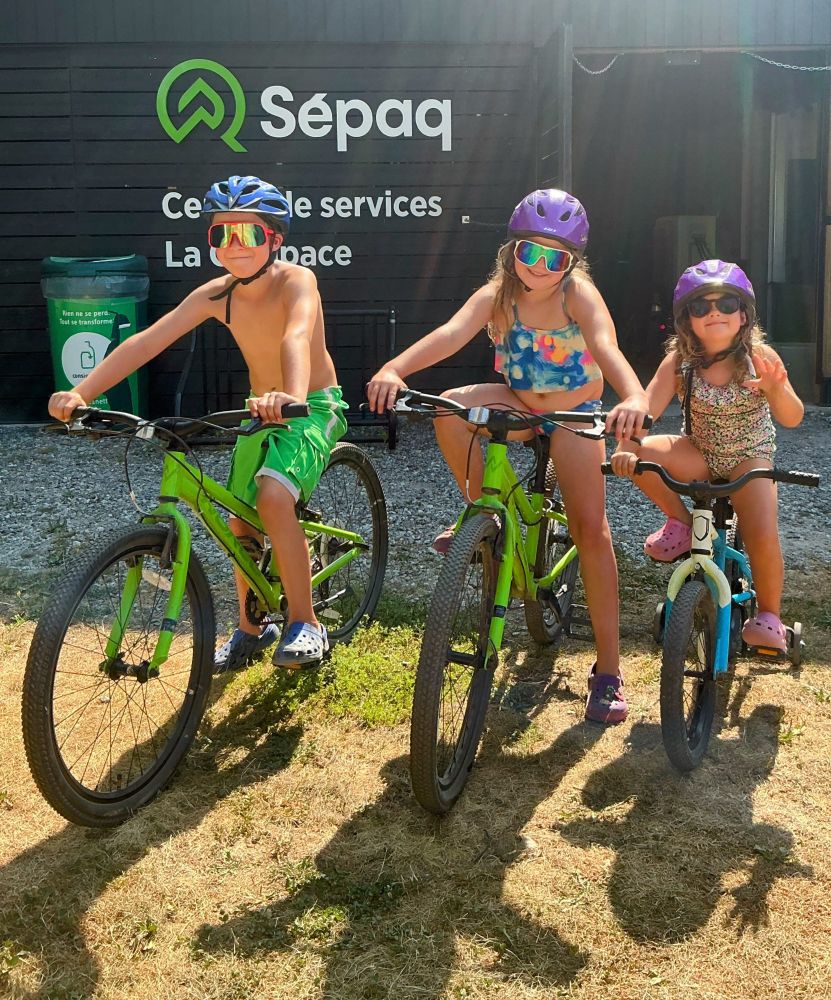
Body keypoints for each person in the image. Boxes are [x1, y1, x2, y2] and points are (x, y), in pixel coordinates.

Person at [367, 188, 649, 724]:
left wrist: (633, 396)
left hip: (573, 412)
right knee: (450, 409)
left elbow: (606, 346)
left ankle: (609, 670)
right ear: (511, 250)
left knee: (591, 530)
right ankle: (484, 513)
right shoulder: (497, 294)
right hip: (517, 401)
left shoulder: (579, 296)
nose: (540, 266)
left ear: (572, 263)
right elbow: (450, 334)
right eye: (529, 252)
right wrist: (394, 369)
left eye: (555, 258)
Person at [47, 175, 348, 673]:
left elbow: (295, 336)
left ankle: (306, 622)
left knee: (273, 498)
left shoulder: (297, 280)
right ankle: (252, 629)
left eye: (248, 233)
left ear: (274, 238)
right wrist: (83, 392)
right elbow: (146, 342)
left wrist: (292, 396)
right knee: (239, 519)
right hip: (261, 407)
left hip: (308, 404)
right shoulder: (217, 294)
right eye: (221, 234)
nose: (234, 244)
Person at [610, 259, 804, 652]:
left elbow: (793, 417)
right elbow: (647, 408)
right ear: (688, 321)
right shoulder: (679, 362)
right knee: (642, 456)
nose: (714, 312)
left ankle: (769, 615)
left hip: (750, 457)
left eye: (726, 304)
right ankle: (682, 524)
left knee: (762, 532)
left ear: (743, 315)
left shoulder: (760, 357)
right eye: (701, 307)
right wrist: (627, 446)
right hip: (699, 452)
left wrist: (776, 390)